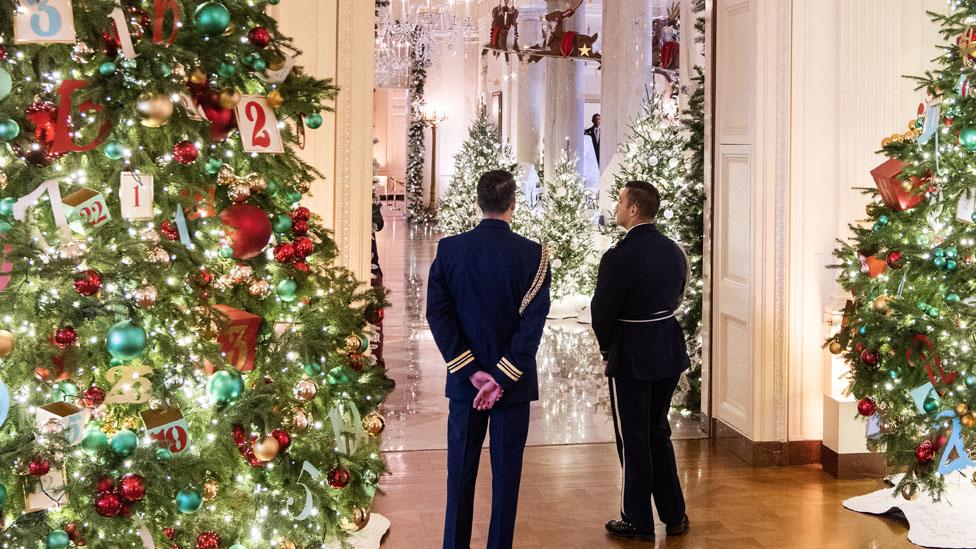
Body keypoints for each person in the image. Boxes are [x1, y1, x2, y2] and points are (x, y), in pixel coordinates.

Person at [426, 170, 552, 549]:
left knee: (460, 475)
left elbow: (438, 314)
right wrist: (501, 376)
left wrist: (471, 371)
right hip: (511, 389)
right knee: (506, 478)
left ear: (478, 202)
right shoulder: (534, 255)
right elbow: (532, 325)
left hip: (467, 388)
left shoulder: (450, 251)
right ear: (514, 204)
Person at [590, 181, 690, 541]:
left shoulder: (618, 257)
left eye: (620, 201)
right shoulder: (673, 251)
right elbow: (679, 294)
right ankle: (675, 514)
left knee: (632, 438)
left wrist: (607, 350)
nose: (616, 207)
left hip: (632, 352)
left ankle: (637, 520)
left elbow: (601, 312)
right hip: (667, 346)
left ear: (634, 209)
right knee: (657, 431)